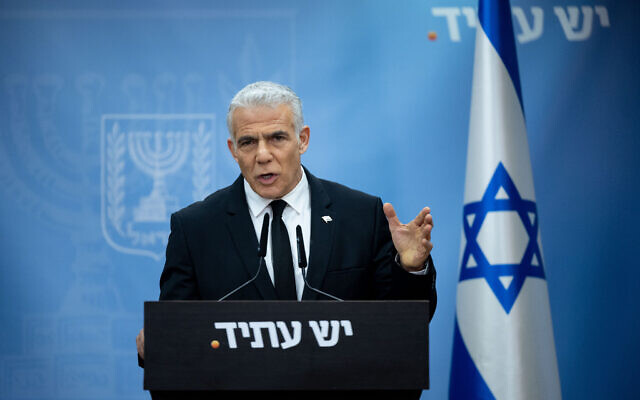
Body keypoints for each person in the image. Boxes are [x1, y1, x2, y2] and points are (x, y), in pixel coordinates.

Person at [136, 81, 437, 399]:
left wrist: (411, 270)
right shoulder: (196, 228)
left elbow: (402, 328)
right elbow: (179, 338)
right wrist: (156, 349)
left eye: (277, 138)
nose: (262, 155)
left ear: (302, 139)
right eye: (248, 142)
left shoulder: (361, 214)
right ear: (232, 150)